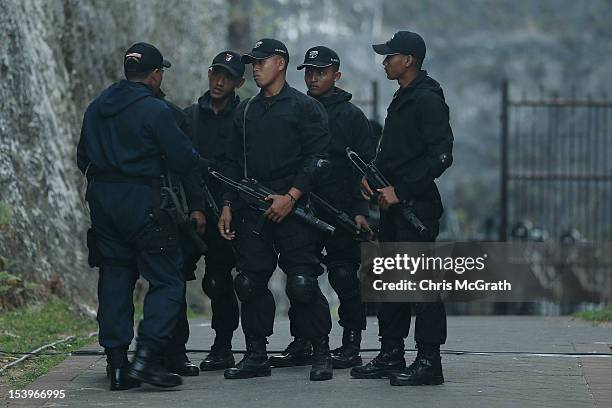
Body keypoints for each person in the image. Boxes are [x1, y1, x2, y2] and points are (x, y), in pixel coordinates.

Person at [77, 42, 201, 390]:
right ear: (156, 74)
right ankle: (147, 357)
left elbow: (82, 156)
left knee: (115, 276)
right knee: (167, 279)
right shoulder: (156, 110)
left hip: (102, 202)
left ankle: (117, 366)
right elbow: (183, 158)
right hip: (142, 200)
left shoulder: (97, 106)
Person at [219, 38, 333, 381]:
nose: (254, 68)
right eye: (252, 63)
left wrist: (292, 196)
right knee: (248, 281)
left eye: (261, 61)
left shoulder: (305, 108)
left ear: (280, 63)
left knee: (301, 282)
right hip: (252, 210)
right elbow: (232, 163)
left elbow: (318, 158)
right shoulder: (245, 110)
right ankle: (256, 354)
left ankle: (321, 352)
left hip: (294, 210)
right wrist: (226, 204)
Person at [350, 31, 454, 386]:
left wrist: (402, 190)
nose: (385, 61)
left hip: (416, 208)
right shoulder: (403, 97)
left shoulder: (427, 99)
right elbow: (396, 151)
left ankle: (429, 361)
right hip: (392, 208)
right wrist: (372, 177)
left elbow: (441, 155)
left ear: (409, 59)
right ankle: (391, 353)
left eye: (390, 55)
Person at [269, 46, 374, 370]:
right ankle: (303, 340)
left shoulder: (352, 117)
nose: (313, 77)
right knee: (300, 278)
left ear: (336, 75)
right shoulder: (298, 109)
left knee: (343, 276)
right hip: (303, 206)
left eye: (321, 71)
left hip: (340, 206)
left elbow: (363, 170)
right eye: (309, 71)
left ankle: (352, 342)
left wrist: (360, 210)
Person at [180, 50, 246, 372]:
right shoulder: (189, 116)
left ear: (239, 82)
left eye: (228, 77)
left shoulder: (246, 116)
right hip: (190, 212)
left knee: (220, 281)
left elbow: (245, 166)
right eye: (216, 73)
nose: (220, 81)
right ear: (209, 73)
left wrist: (228, 205)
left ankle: (223, 347)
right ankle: (175, 349)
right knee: (174, 276)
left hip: (229, 211)